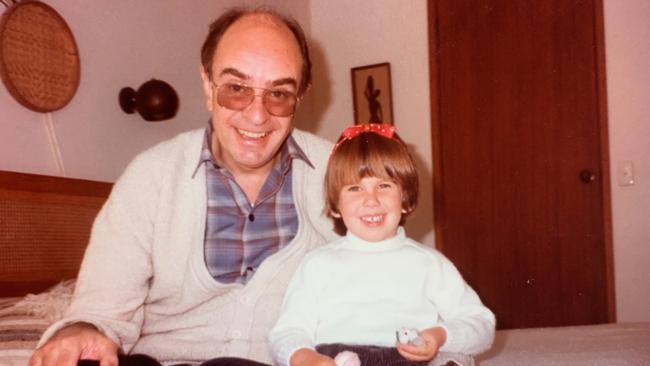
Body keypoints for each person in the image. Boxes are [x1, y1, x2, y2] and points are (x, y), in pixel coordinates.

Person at [29, 7, 337, 366]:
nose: (257, 115)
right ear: (208, 86)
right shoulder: (150, 177)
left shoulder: (342, 173)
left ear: (299, 96)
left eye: (279, 93)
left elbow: (387, 282)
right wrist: (77, 331)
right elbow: (100, 312)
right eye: (236, 88)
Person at [269, 124, 496, 366]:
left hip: (409, 359)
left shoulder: (428, 263)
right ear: (336, 205)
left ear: (406, 199)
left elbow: (481, 324)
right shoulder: (317, 264)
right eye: (355, 188)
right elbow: (287, 332)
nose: (371, 200)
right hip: (340, 360)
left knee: (457, 358)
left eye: (384, 186)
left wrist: (439, 336)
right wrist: (308, 359)